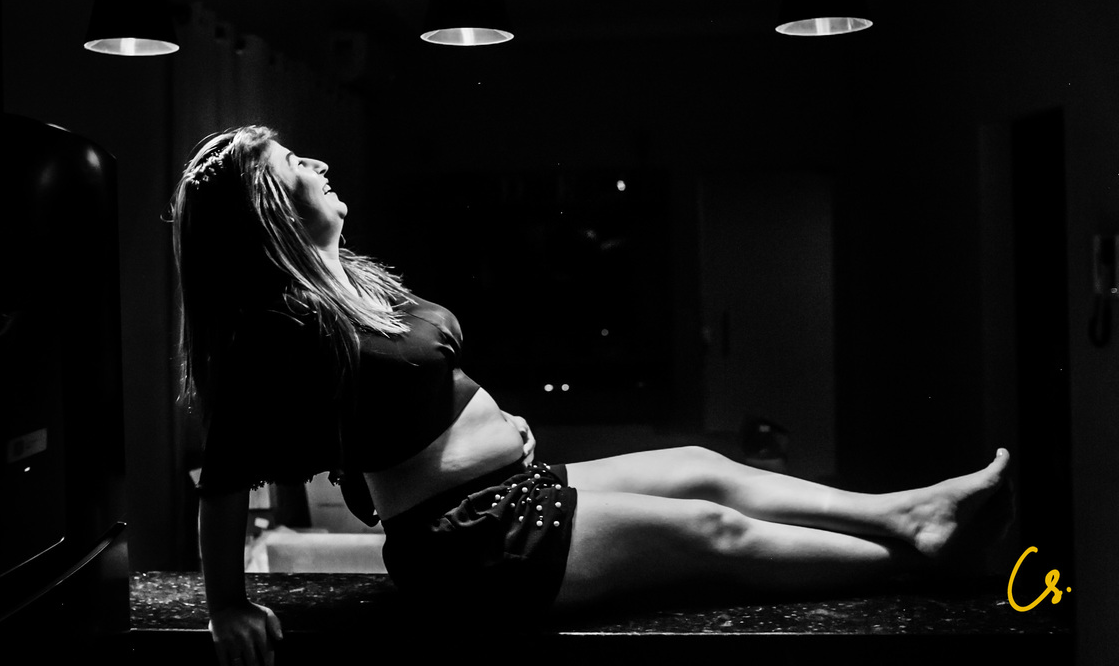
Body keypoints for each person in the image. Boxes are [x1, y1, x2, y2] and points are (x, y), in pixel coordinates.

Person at [170, 125, 1013, 666]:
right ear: (269, 209)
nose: (317, 164)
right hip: (470, 546)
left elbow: (387, 407)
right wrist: (227, 606)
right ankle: (919, 563)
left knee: (701, 466)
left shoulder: (351, 285)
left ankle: (907, 513)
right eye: (295, 166)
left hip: (505, 493)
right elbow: (226, 479)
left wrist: (490, 428)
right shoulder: (279, 329)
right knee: (710, 530)